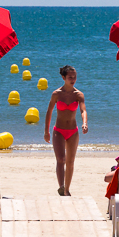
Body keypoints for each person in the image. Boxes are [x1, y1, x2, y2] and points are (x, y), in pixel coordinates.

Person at [43, 64, 88, 196]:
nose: (73, 79)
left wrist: (84, 123)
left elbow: (83, 110)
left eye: (74, 77)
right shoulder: (56, 94)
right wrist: (46, 131)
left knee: (70, 162)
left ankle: (67, 189)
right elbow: (49, 111)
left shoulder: (78, 94)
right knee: (61, 159)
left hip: (73, 131)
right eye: (70, 77)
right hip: (59, 131)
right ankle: (61, 186)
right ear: (63, 77)